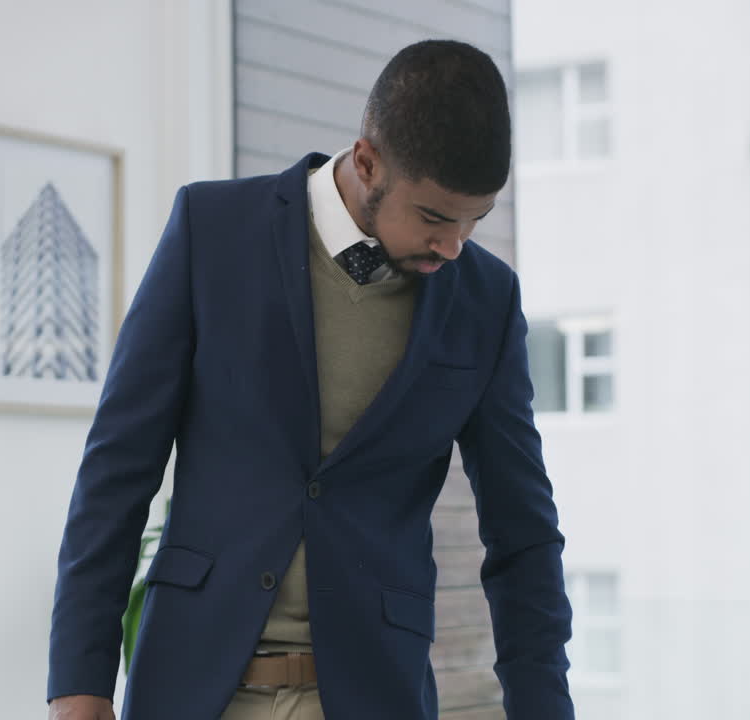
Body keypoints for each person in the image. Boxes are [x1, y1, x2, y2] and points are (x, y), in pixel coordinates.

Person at [46, 39, 574, 720]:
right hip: (197, 689)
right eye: (436, 218)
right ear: (366, 162)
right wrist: (78, 688)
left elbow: (523, 535)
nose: (454, 246)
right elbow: (115, 474)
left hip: (372, 695)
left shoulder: (486, 301)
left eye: (475, 221)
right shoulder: (212, 232)